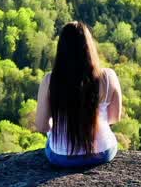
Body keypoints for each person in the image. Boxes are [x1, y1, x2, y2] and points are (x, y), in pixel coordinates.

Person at [35, 22, 122, 168]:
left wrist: (56, 130)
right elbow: (114, 117)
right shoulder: (108, 77)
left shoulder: (50, 81)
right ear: (89, 47)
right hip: (102, 152)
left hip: (61, 156)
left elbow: (42, 125)